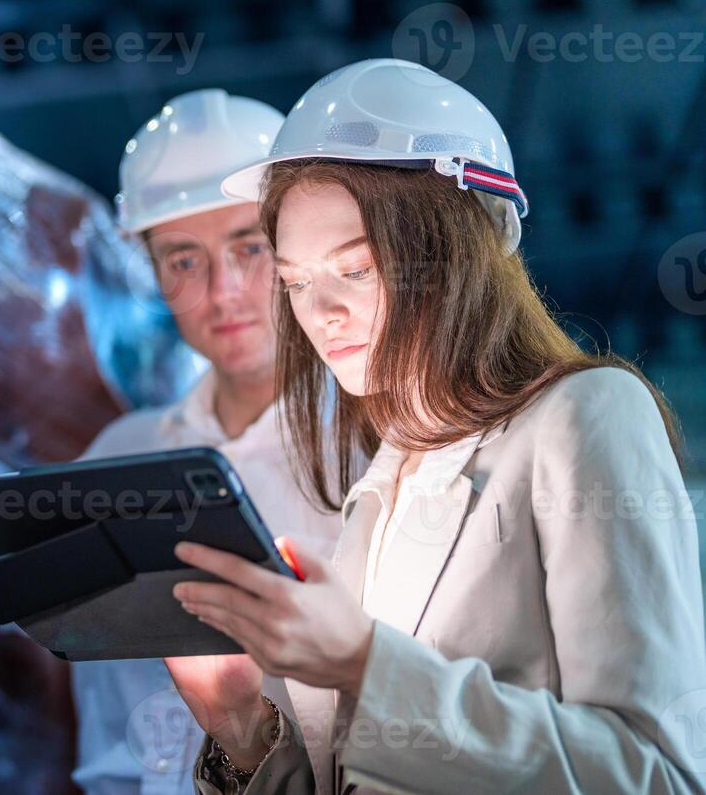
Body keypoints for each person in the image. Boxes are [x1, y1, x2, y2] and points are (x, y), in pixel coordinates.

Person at [165, 58, 706, 793]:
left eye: (354, 270)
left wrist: (364, 663)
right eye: (295, 283)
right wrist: (238, 723)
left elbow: (656, 775)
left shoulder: (585, 416)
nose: (319, 313)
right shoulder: (382, 486)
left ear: (458, 251)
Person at [0, 89, 342, 795]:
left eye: (251, 248)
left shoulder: (377, 455)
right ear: (148, 268)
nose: (223, 291)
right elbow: (12, 581)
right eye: (184, 260)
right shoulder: (129, 451)